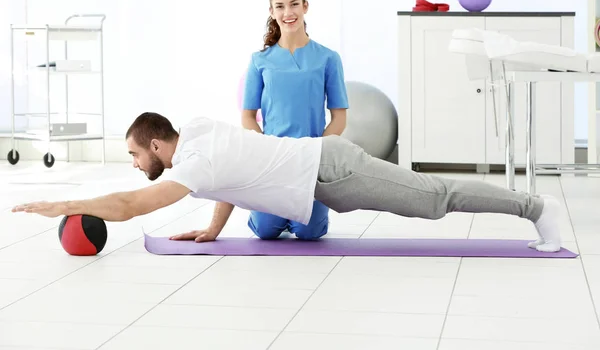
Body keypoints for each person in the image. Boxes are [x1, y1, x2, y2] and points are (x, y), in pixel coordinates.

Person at [12, 112, 563, 253]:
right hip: (323, 176)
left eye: (135, 154)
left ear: (158, 145)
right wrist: (211, 228)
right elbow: (229, 177)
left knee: (435, 199)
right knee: (430, 202)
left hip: (331, 168)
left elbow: (132, 205)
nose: (134, 164)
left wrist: (62, 202)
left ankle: (533, 208)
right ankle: (530, 208)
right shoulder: (198, 132)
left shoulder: (193, 165)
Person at [240, 0, 349, 241]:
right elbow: (247, 117)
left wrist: (315, 151)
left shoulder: (328, 58)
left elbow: (339, 117)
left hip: (310, 159)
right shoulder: (259, 61)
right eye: (280, 6)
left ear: (305, 7)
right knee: (265, 232)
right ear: (272, 12)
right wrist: (265, 148)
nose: (288, 13)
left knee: (310, 233)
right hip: (273, 158)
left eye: (294, 5)